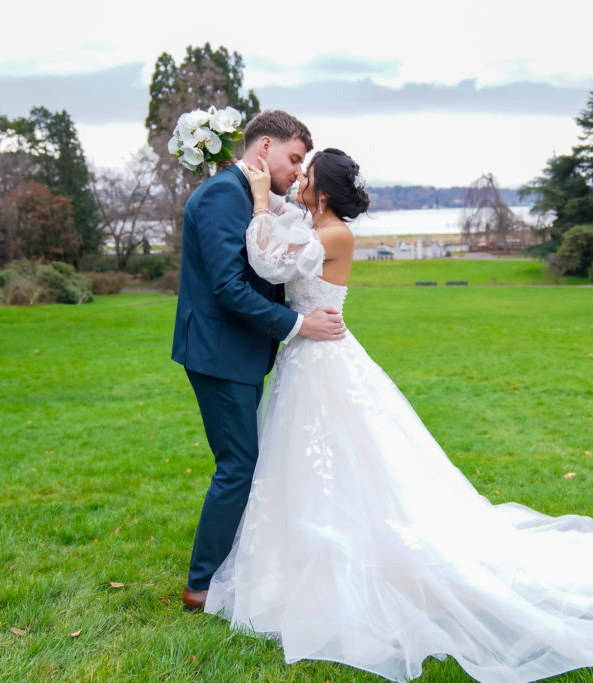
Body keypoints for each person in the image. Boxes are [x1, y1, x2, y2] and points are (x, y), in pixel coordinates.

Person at [205, 149, 593, 683]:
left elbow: (268, 260)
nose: (297, 180)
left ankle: (337, 565)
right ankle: (311, 559)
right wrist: (271, 194)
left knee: (346, 463)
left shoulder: (331, 234)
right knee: (316, 468)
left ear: (325, 193)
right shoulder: (316, 224)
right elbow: (281, 240)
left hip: (323, 360)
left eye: (306, 176)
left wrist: (259, 199)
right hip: (312, 356)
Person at [170, 110, 346, 614]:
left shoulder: (255, 196)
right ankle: (200, 585)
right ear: (264, 146)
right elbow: (227, 287)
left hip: (242, 350)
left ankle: (236, 564)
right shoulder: (222, 195)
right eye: (294, 158)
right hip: (219, 352)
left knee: (245, 462)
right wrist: (298, 326)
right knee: (238, 465)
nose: (298, 170)